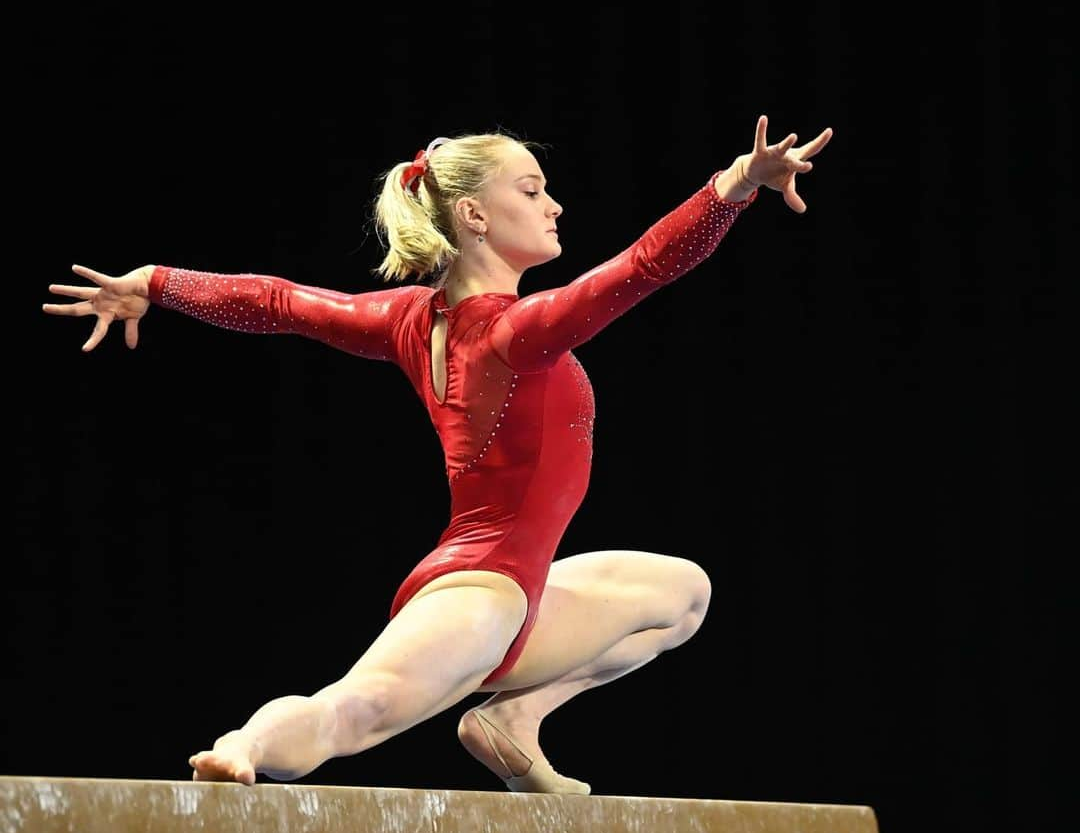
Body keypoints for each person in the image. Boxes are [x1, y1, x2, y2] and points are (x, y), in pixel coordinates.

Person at [43, 114, 832, 793]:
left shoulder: (409, 320)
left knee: (681, 593)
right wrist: (729, 188)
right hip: (479, 596)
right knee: (350, 711)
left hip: (516, 592)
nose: (554, 204)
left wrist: (155, 279)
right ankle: (242, 748)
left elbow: (276, 301)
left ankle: (514, 722)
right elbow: (641, 270)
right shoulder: (515, 334)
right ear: (473, 215)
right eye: (530, 189)